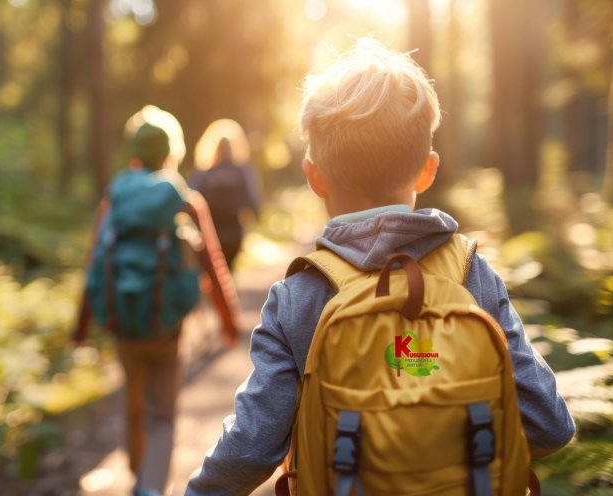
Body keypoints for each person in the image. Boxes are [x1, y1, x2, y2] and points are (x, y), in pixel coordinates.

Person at [185, 39, 575, 495]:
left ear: (314, 177)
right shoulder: (471, 274)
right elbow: (550, 427)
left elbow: (253, 446)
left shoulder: (298, 296)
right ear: (427, 171)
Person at [73, 106, 240, 496]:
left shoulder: (114, 196)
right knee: (162, 414)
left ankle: (136, 476)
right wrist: (228, 322)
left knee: (133, 404)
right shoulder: (182, 197)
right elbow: (212, 264)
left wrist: (80, 328)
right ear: (171, 154)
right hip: (166, 324)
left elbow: (95, 260)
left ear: (133, 154)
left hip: (122, 322)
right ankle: (150, 488)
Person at [189, 119, 261, 269]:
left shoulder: (204, 174)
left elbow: (191, 198)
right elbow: (253, 199)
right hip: (234, 232)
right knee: (229, 269)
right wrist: (256, 217)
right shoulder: (242, 171)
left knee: (213, 271)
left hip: (209, 233)